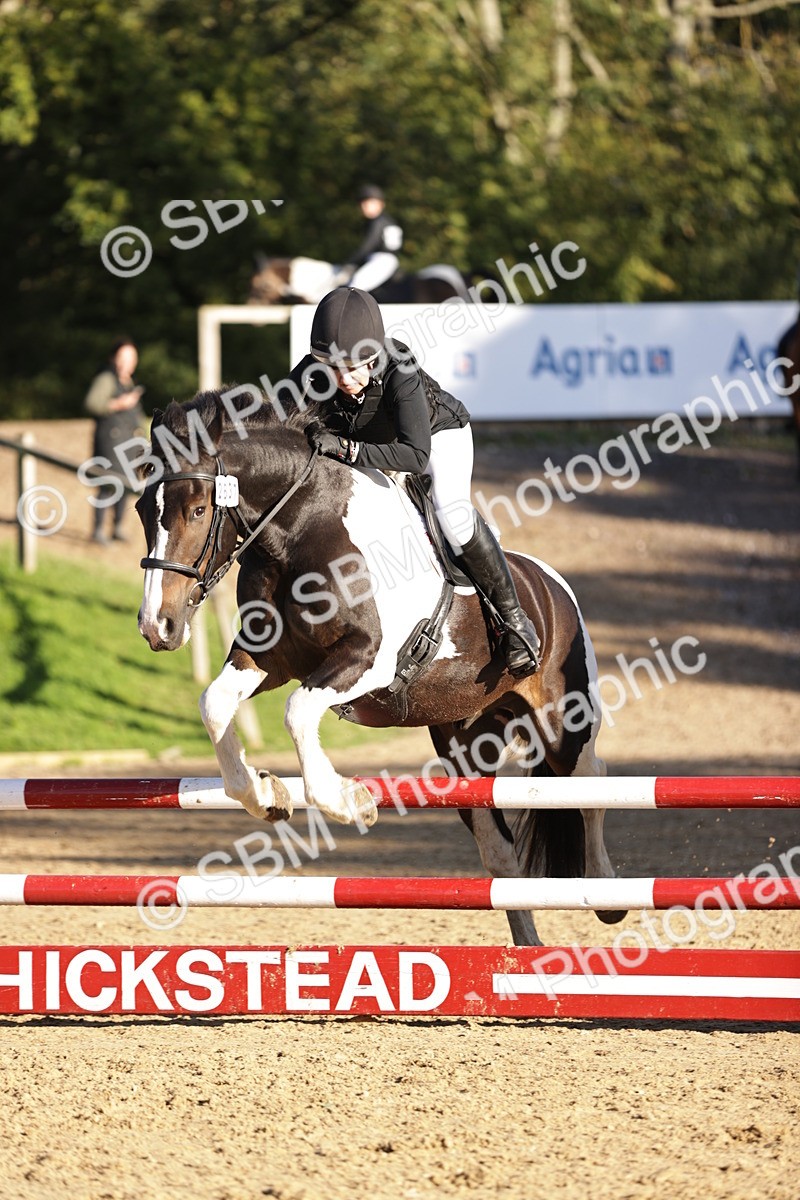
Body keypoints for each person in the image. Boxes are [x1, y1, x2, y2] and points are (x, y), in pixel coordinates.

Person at [287, 286, 541, 677]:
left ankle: (513, 620)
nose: (343, 379)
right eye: (332, 368)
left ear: (373, 358)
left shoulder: (400, 370)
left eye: (355, 367)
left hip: (435, 439)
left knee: (452, 516)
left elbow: (415, 455)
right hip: (372, 445)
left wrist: (346, 450)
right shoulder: (309, 374)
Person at [83, 338, 146, 544]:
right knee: (107, 484)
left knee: (125, 484)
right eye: (123, 357)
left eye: (131, 357)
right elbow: (92, 404)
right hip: (110, 442)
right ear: (113, 358)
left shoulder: (129, 383)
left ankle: (117, 527)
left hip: (128, 443)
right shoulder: (106, 379)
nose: (127, 362)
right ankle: (98, 530)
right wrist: (118, 404)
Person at [345, 185, 404, 295]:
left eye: (369, 203)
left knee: (355, 285)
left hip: (381, 260)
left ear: (381, 205)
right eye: (363, 204)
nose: (364, 207)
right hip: (385, 260)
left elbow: (368, 246)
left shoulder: (377, 222)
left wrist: (350, 261)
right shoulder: (386, 220)